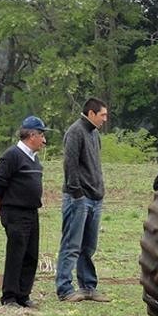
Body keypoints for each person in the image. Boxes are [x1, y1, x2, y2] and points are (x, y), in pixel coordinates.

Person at [0, 116, 50, 309]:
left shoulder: (34, 158)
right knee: (16, 254)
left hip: (32, 212)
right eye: (41, 135)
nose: (44, 140)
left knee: (31, 254)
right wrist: (0, 205)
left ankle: (23, 295)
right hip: (15, 212)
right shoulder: (12, 155)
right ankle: (9, 297)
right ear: (31, 135)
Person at [55, 97, 110, 303]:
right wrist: (77, 193)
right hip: (78, 198)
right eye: (102, 115)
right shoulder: (75, 131)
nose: (105, 119)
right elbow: (70, 164)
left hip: (95, 198)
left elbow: (94, 165)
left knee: (88, 246)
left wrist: (99, 191)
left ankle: (88, 287)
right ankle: (64, 289)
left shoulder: (94, 134)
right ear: (91, 113)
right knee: (71, 245)